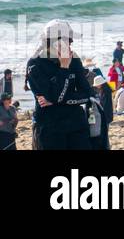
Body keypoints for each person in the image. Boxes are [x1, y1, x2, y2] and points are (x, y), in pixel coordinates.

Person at [26, 19, 93, 150]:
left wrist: (60, 100)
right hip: (49, 127)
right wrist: (64, 67)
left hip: (76, 125)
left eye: (70, 41)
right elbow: (54, 95)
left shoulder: (74, 59)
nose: (70, 45)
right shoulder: (35, 64)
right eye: (67, 41)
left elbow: (87, 94)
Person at [90, 76, 113, 150]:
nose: (96, 86)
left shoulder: (105, 92)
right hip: (108, 114)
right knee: (105, 132)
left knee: (105, 132)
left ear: (100, 84)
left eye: (97, 85)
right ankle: (107, 146)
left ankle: (107, 146)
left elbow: (104, 105)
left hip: (106, 115)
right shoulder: (105, 90)